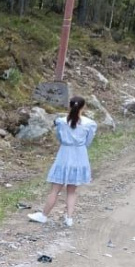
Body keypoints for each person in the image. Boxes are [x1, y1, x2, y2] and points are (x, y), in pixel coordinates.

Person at [28, 96, 97, 228]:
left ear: (69, 106)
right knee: (72, 191)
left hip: (64, 154)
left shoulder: (61, 121)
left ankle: (44, 215)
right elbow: (88, 141)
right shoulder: (90, 124)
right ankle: (69, 218)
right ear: (83, 107)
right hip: (80, 155)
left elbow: (59, 137)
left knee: (55, 190)